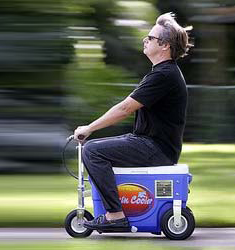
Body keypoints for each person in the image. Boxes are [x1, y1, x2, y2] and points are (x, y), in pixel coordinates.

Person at [72, 12, 192, 231]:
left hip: (155, 148)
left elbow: (125, 108)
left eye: (150, 38)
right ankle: (116, 211)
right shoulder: (163, 73)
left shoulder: (163, 75)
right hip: (149, 143)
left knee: (92, 151)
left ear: (164, 45)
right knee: (97, 149)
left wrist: (89, 128)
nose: (144, 40)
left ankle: (115, 216)